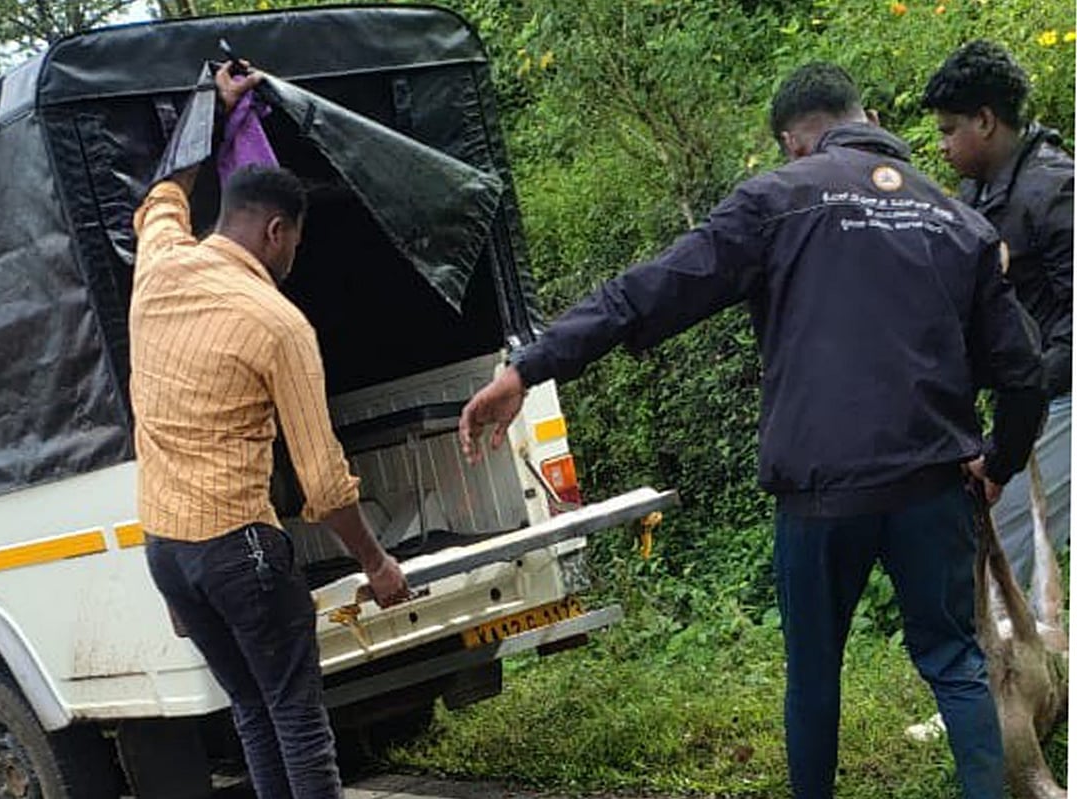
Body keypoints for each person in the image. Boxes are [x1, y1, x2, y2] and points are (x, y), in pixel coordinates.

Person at [458, 63, 1046, 799]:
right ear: (865, 118)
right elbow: (1024, 372)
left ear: (793, 142)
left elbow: (651, 290)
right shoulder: (955, 219)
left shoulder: (778, 199)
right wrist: (998, 462)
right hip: (930, 485)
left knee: (815, 673)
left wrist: (530, 367)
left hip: (821, 493)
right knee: (955, 662)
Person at [130, 63, 410, 799]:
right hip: (239, 550)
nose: (292, 260)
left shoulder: (157, 265)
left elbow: (162, 197)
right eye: (295, 244)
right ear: (276, 231)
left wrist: (209, 108)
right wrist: (376, 562)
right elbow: (322, 480)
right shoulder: (278, 323)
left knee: (253, 710)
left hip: (168, 553)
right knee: (297, 717)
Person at [923, 40, 1073, 589]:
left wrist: (1023, 398)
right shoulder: (978, 191)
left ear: (985, 121)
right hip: (1025, 400)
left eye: (948, 130)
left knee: (995, 560)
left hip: (1059, 399)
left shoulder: (1055, 191)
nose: (941, 145)